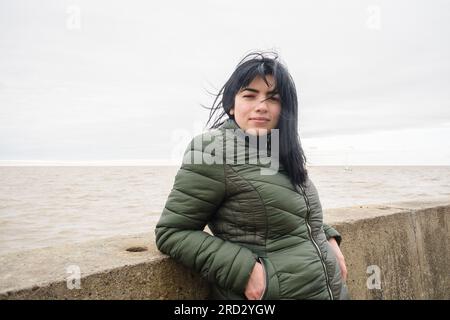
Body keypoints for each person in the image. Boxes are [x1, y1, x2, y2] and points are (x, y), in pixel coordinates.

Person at [155, 51, 349, 300]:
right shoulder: (212, 149)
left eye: (273, 98)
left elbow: (291, 211)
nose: (261, 106)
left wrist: (327, 236)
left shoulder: (280, 148)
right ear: (231, 105)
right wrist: (244, 269)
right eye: (249, 95)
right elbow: (172, 232)